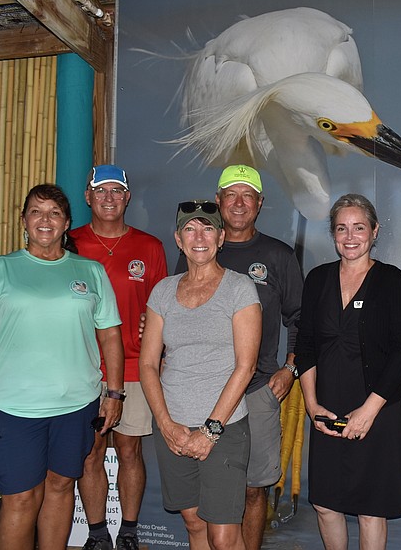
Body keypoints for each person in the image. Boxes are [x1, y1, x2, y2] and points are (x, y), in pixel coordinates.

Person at [0, 183, 124, 550]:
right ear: (24, 221)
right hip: (13, 407)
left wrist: (114, 393)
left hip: (76, 405)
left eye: (54, 212)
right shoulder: (0, 270)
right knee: (20, 498)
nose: (45, 219)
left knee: (61, 486)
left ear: (67, 222)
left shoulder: (91, 271)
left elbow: (110, 337)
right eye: (36, 211)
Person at [174, 164, 303, 550]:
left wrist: (290, 368)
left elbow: (300, 318)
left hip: (257, 390)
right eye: (231, 194)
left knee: (252, 490)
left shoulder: (278, 255)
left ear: (260, 204)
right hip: (198, 394)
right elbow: (174, 312)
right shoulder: (197, 249)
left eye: (248, 195)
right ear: (218, 201)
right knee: (200, 495)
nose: (239, 202)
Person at [295, 193, 401, 550]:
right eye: (341, 228)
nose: (350, 237)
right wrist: (311, 405)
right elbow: (305, 346)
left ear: (374, 231)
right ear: (333, 234)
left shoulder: (392, 280)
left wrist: (367, 412)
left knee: (370, 508)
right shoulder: (317, 279)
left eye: (359, 227)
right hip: (326, 408)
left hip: (377, 411)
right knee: (325, 503)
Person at [139, 200, 261, 550]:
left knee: (223, 536)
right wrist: (165, 424)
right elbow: (148, 364)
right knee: (193, 524)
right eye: (190, 229)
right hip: (171, 427)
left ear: (221, 238)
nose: (199, 237)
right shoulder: (162, 291)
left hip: (225, 428)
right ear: (178, 239)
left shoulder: (239, 288)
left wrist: (210, 431)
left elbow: (246, 366)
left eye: (208, 228)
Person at [71, 165, 168, 550]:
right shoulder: (70, 243)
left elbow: (162, 308)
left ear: (127, 197)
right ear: (88, 197)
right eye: (100, 190)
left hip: (132, 366)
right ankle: (96, 534)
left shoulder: (149, 247)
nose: (109, 198)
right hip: (81, 369)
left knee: (130, 449)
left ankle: (128, 530)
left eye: (116, 191)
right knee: (90, 451)